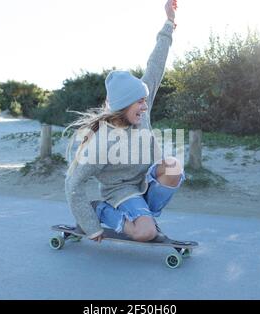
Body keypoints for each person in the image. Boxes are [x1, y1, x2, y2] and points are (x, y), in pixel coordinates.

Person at [64, 0, 183, 243]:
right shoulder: (102, 142)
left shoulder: (140, 112)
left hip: (145, 179)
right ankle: (103, 210)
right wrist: (91, 225)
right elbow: (73, 183)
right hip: (121, 191)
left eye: (145, 100)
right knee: (145, 233)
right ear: (124, 104)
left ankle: (144, 212)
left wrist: (169, 22)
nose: (145, 105)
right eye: (139, 101)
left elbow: (155, 65)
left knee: (173, 167)